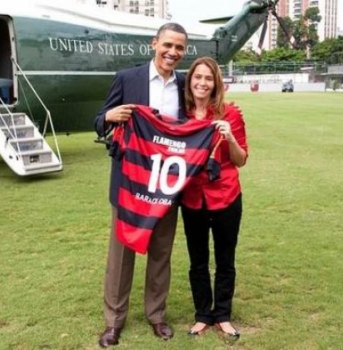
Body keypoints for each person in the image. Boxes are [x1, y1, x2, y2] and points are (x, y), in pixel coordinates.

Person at [94, 23, 188, 348]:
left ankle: (156, 316)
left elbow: (194, 127)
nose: (172, 52)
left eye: (179, 47)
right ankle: (113, 323)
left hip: (167, 185)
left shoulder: (185, 84)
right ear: (154, 44)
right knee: (121, 257)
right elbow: (98, 120)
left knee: (161, 253)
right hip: (129, 186)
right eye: (168, 45)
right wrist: (109, 116)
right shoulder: (127, 78)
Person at [179, 57, 248, 340]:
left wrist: (230, 137)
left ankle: (222, 314)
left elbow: (241, 159)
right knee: (197, 260)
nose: (202, 83)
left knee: (225, 259)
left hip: (226, 196)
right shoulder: (179, 116)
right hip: (192, 198)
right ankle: (202, 315)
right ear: (190, 81)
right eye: (198, 77)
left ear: (216, 83)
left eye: (208, 78)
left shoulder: (230, 114)